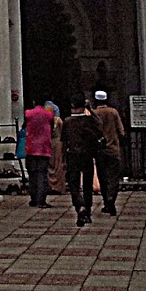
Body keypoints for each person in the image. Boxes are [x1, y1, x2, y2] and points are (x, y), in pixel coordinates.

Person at [61, 94, 108, 227]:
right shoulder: (89, 120)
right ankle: (86, 210)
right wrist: (90, 109)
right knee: (87, 184)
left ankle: (80, 206)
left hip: (73, 156)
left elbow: (64, 142)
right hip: (87, 155)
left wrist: (63, 159)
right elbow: (99, 124)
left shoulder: (68, 121)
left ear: (72, 106)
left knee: (74, 184)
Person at [91, 90, 127, 215]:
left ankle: (106, 200)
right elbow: (121, 131)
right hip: (113, 150)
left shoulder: (94, 114)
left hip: (100, 150)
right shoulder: (113, 112)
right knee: (113, 177)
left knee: (103, 177)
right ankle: (112, 198)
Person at [21, 95, 55, 208]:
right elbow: (52, 126)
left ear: (34, 102)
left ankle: (33, 198)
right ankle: (41, 200)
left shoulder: (28, 113)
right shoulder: (49, 114)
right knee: (42, 174)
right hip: (44, 148)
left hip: (31, 147)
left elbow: (24, 126)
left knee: (32, 174)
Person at [46, 100, 66, 196]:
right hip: (58, 144)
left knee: (50, 165)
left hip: (49, 143)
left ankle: (51, 186)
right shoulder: (58, 120)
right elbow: (63, 132)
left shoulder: (46, 121)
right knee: (59, 165)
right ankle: (59, 187)